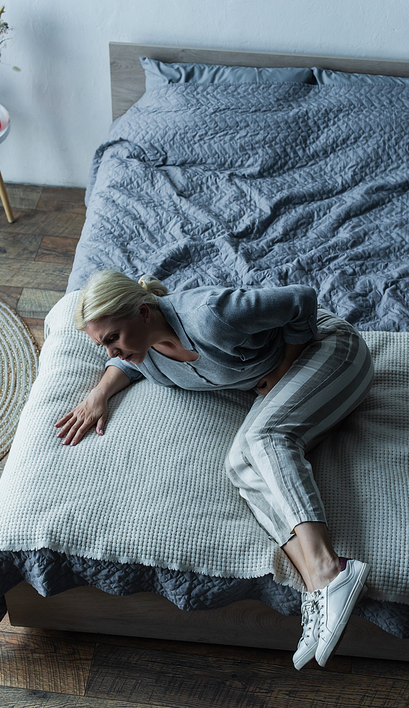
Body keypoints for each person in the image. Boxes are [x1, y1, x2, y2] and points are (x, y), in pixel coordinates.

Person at [56, 269, 374, 670]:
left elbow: (302, 300)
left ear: (144, 313)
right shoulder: (147, 355)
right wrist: (98, 393)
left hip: (331, 351)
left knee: (265, 438)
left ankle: (330, 567)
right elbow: (132, 367)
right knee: (239, 465)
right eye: (102, 345)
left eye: (112, 338)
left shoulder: (209, 314)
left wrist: (282, 369)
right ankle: (317, 585)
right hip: (305, 380)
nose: (111, 353)